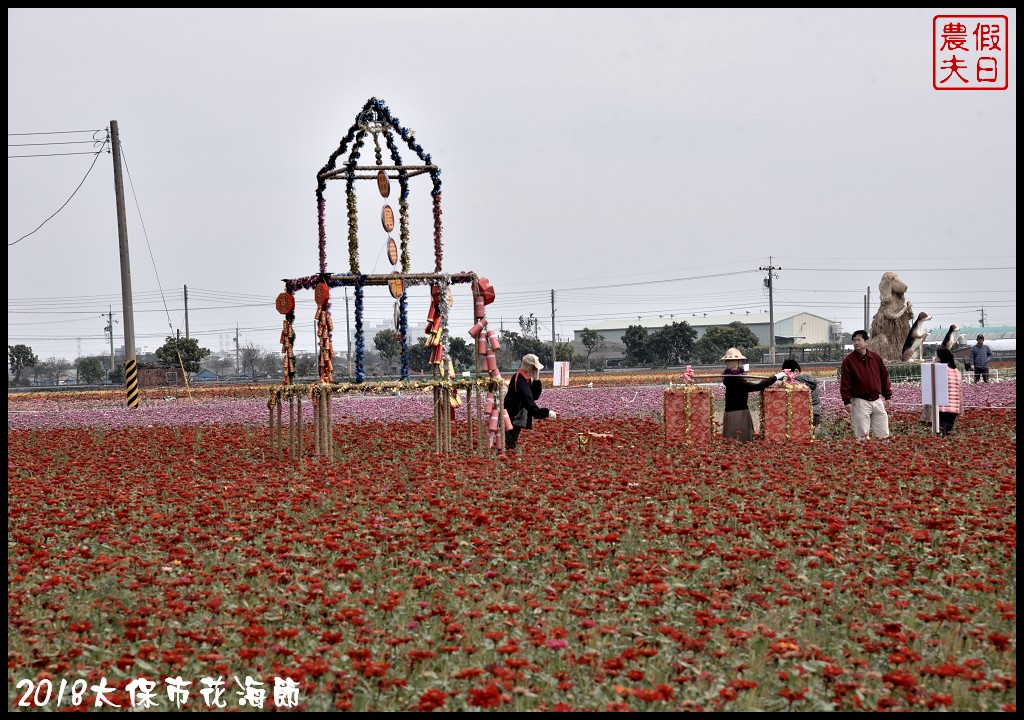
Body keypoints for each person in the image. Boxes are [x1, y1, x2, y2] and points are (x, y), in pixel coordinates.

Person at [720, 347, 784, 443]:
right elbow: (758, 386)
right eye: (732, 361)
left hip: (732, 413)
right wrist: (776, 376)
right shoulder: (736, 382)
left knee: (734, 440)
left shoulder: (731, 380)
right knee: (739, 440)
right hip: (738, 414)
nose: (734, 364)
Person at [840, 329, 893, 440]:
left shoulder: (875, 358)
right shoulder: (849, 361)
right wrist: (846, 401)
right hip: (860, 402)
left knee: (884, 434)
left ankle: (883, 454)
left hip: (877, 401)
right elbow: (845, 382)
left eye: (859, 340)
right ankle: (864, 456)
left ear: (867, 342)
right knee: (862, 436)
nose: (856, 343)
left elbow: (884, 377)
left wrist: (887, 396)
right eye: (854, 341)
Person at [504, 353, 556, 450]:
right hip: (511, 420)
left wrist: (536, 379)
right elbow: (529, 403)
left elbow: (533, 396)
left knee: (510, 447)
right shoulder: (520, 381)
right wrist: (546, 412)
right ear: (529, 367)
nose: (536, 370)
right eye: (534, 368)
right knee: (509, 448)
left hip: (515, 420)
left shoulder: (523, 378)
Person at [781, 359, 821, 431]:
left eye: (787, 373)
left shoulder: (796, 383)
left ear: (796, 371)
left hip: (805, 414)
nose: (786, 377)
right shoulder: (808, 380)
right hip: (815, 412)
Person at [935, 346, 963, 437]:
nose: (935, 357)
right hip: (953, 408)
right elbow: (959, 392)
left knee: (940, 433)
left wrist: (934, 363)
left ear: (940, 357)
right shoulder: (956, 371)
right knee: (948, 432)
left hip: (941, 408)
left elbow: (931, 386)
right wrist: (960, 408)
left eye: (936, 356)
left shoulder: (938, 369)